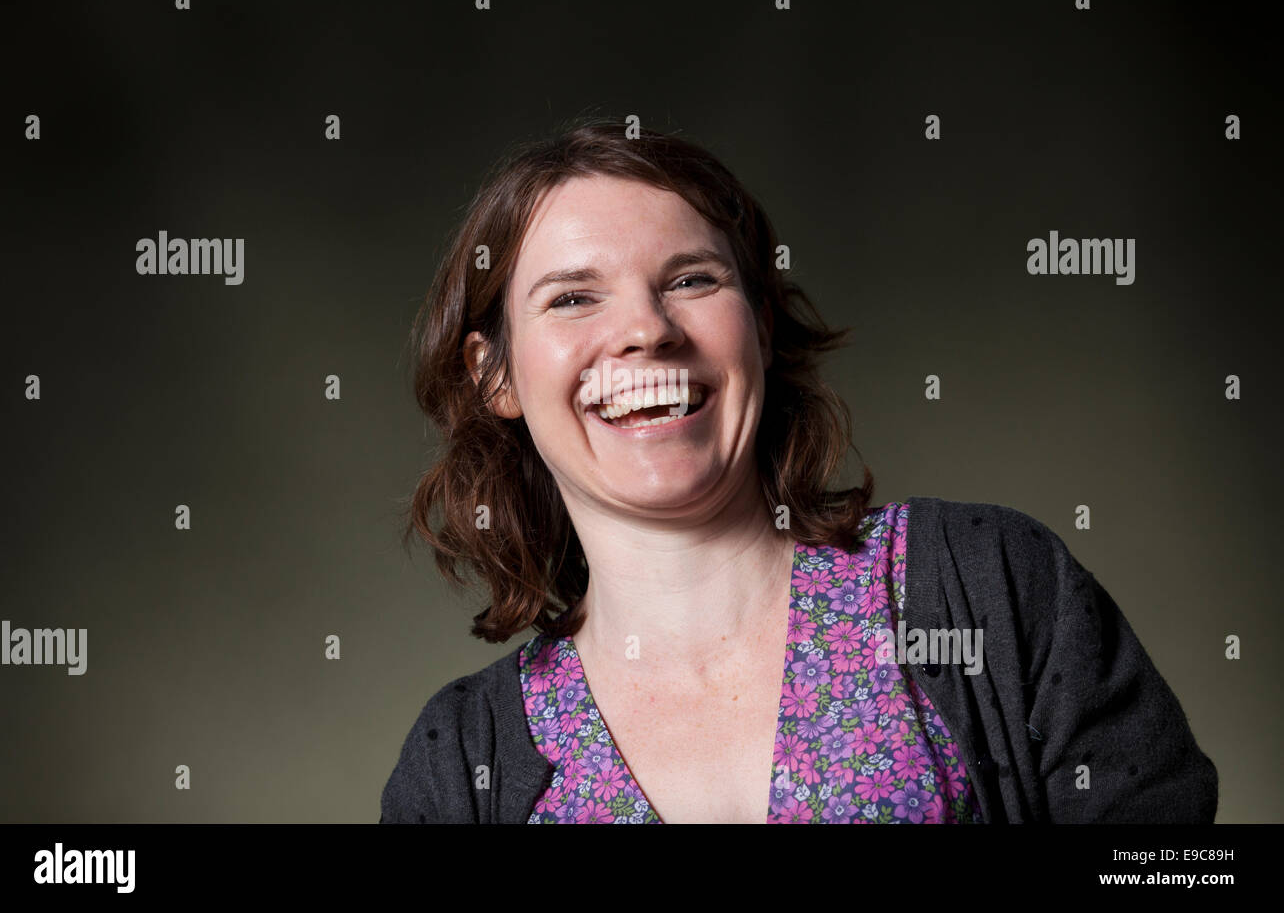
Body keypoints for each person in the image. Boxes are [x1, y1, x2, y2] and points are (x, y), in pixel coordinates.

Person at [380, 117, 1218, 823]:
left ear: (762, 330)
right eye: (572, 297)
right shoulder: (461, 762)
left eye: (692, 279)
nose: (646, 328)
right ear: (495, 375)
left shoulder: (985, 582)